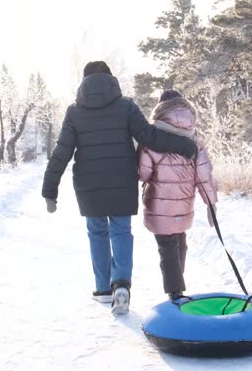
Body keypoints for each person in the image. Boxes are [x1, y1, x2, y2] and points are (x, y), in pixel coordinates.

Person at [42, 62, 198, 316]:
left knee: (96, 232)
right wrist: (183, 144)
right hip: (122, 180)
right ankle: (122, 285)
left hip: (88, 184)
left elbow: (62, 152)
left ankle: (103, 289)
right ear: (110, 78)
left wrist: (50, 189)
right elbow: (149, 136)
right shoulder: (126, 106)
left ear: (84, 82)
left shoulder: (74, 112)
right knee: (121, 231)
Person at [137, 90, 217, 301]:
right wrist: (211, 204)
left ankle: (175, 292)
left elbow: (142, 173)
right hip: (184, 204)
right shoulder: (195, 140)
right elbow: (204, 176)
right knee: (180, 242)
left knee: (167, 247)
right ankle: (177, 286)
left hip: (158, 204)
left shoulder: (151, 139)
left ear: (161, 110)